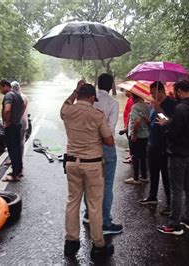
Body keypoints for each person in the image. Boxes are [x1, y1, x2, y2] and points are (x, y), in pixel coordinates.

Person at [61, 81, 114, 260]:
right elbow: (109, 141)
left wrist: (74, 91)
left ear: (78, 94)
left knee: (72, 202)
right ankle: (98, 246)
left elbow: (67, 103)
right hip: (92, 165)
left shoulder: (67, 110)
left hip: (71, 164)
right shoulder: (97, 115)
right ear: (92, 98)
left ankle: (71, 242)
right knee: (94, 205)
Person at [157, 80, 189, 236]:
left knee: (176, 189)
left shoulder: (180, 108)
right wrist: (170, 122)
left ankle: (174, 225)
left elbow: (175, 133)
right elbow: (187, 127)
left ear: (178, 91)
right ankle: (188, 219)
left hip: (178, 154)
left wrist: (166, 126)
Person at [83, 73, 123, 235]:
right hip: (106, 145)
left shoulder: (87, 101)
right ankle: (106, 222)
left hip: (87, 146)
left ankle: (88, 214)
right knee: (106, 185)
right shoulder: (113, 103)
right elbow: (111, 128)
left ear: (98, 84)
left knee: (89, 181)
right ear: (111, 84)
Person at [139, 81, 177, 215]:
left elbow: (171, 124)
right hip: (153, 143)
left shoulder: (172, 104)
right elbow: (154, 125)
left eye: (155, 93)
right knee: (153, 172)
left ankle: (170, 203)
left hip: (164, 145)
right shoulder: (153, 105)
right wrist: (147, 121)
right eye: (151, 93)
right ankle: (152, 196)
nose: (153, 96)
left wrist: (160, 110)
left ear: (162, 91)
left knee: (166, 176)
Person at [0, 79, 25, 181]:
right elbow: (23, 106)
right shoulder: (17, 94)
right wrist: (18, 117)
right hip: (17, 124)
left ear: (5, 86)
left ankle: (14, 174)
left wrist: (7, 122)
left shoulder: (8, 95)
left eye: (0, 88)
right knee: (17, 149)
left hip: (11, 127)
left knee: (12, 150)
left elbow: (7, 109)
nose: (0, 91)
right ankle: (19, 170)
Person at [124, 93, 150, 185]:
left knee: (135, 157)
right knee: (143, 157)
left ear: (134, 98)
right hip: (145, 135)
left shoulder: (135, 106)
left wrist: (134, 134)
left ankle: (135, 178)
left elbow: (137, 122)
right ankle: (144, 176)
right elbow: (147, 121)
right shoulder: (147, 106)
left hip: (137, 136)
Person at [11, 81, 29, 158]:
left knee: (14, 142)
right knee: (21, 141)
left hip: (17, 122)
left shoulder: (14, 97)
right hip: (24, 121)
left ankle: (15, 159)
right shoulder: (24, 96)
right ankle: (19, 158)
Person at [119, 91, 133, 163]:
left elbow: (130, 114)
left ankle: (132, 157)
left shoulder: (131, 101)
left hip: (128, 124)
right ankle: (131, 153)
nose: (125, 92)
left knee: (131, 141)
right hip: (127, 123)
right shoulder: (129, 99)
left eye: (127, 91)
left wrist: (126, 126)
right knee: (129, 140)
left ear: (131, 92)